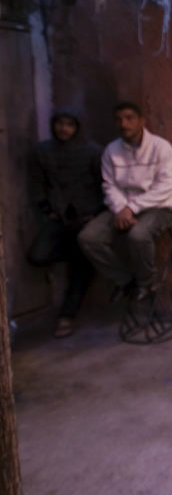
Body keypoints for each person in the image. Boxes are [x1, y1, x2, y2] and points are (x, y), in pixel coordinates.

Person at [78, 102, 172, 302]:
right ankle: (125, 281)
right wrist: (120, 208)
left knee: (138, 235)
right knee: (88, 238)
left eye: (129, 118)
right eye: (119, 120)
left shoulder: (161, 147)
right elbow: (109, 185)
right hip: (122, 207)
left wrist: (131, 208)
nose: (124, 124)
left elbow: (165, 186)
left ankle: (146, 283)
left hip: (159, 206)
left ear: (142, 121)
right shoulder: (111, 150)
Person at [26, 107, 105, 338]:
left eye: (69, 124)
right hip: (59, 217)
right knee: (37, 255)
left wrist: (97, 212)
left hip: (86, 216)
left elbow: (105, 184)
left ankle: (66, 316)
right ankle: (80, 254)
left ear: (77, 127)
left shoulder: (93, 151)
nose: (64, 129)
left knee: (80, 267)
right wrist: (47, 209)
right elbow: (37, 184)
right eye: (60, 123)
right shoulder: (42, 151)